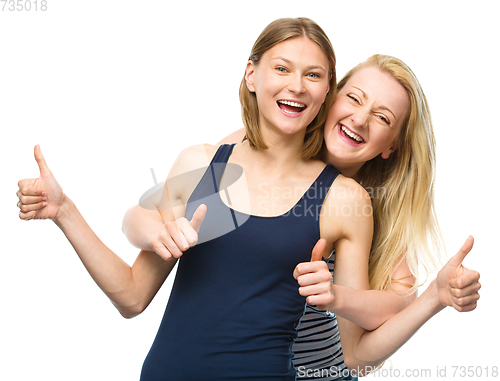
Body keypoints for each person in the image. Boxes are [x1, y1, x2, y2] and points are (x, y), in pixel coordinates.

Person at [17, 17, 378, 380]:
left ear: (328, 90)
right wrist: (64, 211)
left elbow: (355, 356)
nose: (296, 86)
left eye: (313, 75)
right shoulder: (204, 167)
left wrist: (426, 301)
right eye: (282, 68)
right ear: (252, 76)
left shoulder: (343, 199)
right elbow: (131, 296)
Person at [213, 54, 481, 379]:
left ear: (391, 146)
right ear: (330, 97)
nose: (360, 119)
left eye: (382, 117)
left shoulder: (371, 209)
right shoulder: (248, 147)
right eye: (354, 98)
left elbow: (358, 358)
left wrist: (431, 300)